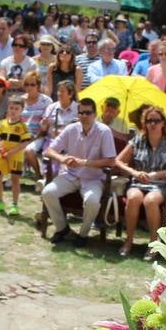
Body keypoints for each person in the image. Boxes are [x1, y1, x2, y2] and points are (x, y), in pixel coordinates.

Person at [42, 97, 119, 243]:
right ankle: (62, 228)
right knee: (47, 193)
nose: (84, 116)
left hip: (94, 179)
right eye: (81, 113)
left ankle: (83, 234)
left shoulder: (104, 131)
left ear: (95, 114)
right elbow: (49, 150)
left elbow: (111, 161)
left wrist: (84, 163)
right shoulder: (71, 129)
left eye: (88, 113)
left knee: (92, 201)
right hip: (70, 175)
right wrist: (62, 159)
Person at [114, 105, 166, 255]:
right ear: (144, 123)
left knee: (150, 201)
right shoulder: (138, 140)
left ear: (163, 123)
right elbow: (118, 161)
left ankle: (154, 243)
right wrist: (134, 172)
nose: (153, 124)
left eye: (156, 121)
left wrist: (155, 175)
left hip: (161, 184)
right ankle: (129, 240)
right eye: (149, 120)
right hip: (138, 181)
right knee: (133, 198)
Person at [0, 95, 32, 215]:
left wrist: (12, 152)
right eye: (11, 108)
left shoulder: (22, 126)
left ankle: (14, 205)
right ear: (7, 108)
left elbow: (25, 142)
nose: (13, 111)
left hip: (15, 156)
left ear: (21, 110)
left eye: (16, 108)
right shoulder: (2, 123)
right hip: (3, 155)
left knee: (15, 180)